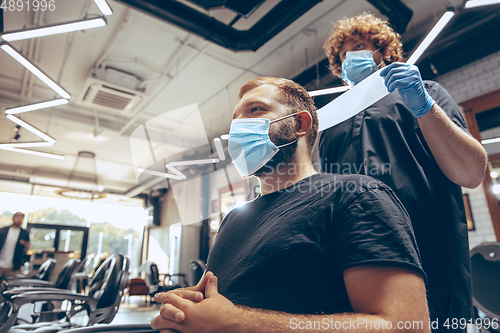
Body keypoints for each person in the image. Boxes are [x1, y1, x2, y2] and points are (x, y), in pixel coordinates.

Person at [151, 77, 431, 332]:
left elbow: (408, 326)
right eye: (235, 120)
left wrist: (237, 322)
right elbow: (220, 307)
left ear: (300, 124)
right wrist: (185, 315)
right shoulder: (233, 220)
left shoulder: (355, 195)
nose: (239, 126)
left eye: (256, 110)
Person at [320, 13, 487, 332]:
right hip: (356, 266)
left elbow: (471, 173)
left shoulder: (425, 92)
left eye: (359, 46)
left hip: (430, 260)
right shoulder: (332, 123)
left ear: (384, 52)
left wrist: (423, 107)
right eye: (344, 55)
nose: (350, 57)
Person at [0, 212, 30, 285]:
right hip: (0, 263)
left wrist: (25, 244)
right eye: (18, 218)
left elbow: (27, 248)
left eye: (21, 218)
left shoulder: (24, 233)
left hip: (13, 265)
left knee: (8, 287)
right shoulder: (3, 230)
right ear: (13, 218)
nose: (19, 220)